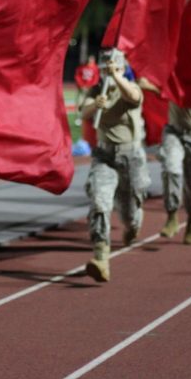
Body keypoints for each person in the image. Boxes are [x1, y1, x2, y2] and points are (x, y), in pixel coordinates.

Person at [78, 47, 149, 282]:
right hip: (105, 156)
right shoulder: (96, 91)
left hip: (130, 157)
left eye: (114, 66)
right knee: (99, 201)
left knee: (130, 212)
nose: (108, 71)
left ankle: (132, 226)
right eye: (106, 67)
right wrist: (95, 105)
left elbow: (134, 97)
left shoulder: (130, 88)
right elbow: (84, 111)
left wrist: (118, 76)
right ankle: (101, 258)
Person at [159, 97, 191, 245]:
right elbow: (163, 88)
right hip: (173, 132)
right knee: (171, 169)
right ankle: (172, 215)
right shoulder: (173, 75)